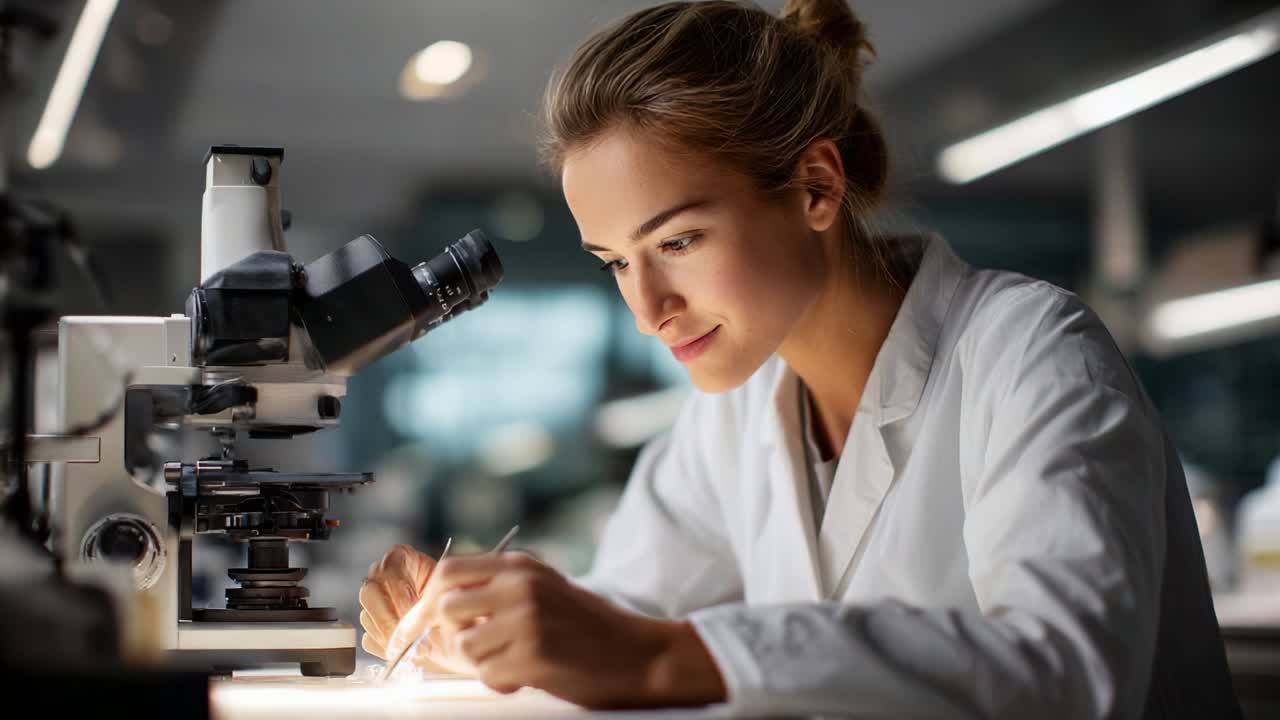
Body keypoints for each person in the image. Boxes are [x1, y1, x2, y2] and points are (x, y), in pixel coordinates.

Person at [358, 1, 1241, 716]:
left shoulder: (1034, 355)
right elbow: (629, 608)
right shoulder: (737, 412)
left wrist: (668, 658)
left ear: (817, 187)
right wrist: (482, 623)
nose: (648, 310)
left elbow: (1066, 675)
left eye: (681, 239)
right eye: (618, 262)